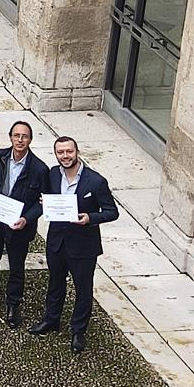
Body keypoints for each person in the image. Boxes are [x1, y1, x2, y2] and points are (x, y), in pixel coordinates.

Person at [30, 136, 119, 353]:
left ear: (77, 152)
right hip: (57, 241)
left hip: (83, 245)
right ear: (56, 154)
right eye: (60, 152)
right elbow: (46, 198)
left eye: (69, 151)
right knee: (55, 282)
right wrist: (45, 202)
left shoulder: (96, 182)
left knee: (83, 289)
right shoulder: (52, 174)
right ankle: (51, 320)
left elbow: (112, 212)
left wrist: (90, 218)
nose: (65, 156)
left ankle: (78, 331)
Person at [0, 120, 49, 327]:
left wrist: (27, 219)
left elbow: (43, 202)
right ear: (10, 137)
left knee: (16, 267)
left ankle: (13, 304)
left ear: (30, 140)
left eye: (24, 136)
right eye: (16, 135)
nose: (20, 140)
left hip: (19, 227)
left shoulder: (40, 169)